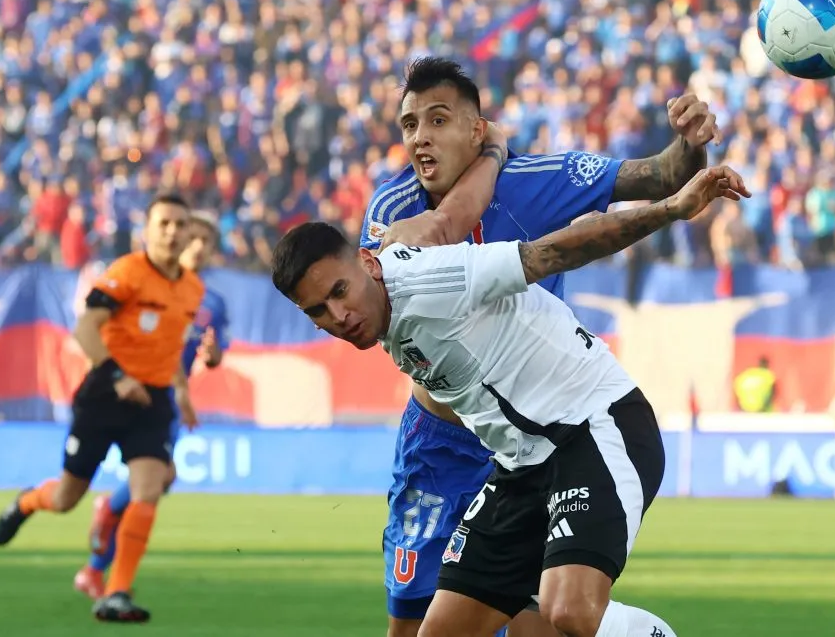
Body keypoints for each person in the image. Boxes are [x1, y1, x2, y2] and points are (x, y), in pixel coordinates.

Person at [270, 163, 748, 637]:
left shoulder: (435, 279)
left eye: (340, 291)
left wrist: (671, 208)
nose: (339, 315)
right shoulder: (382, 304)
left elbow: (550, 253)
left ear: (368, 264)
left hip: (595, 426)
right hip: (522, 466)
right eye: (318, 311)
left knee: (571, 611)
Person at [360, 57, 725, 637]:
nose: (420, 137)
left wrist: (689, 143)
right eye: (409, 125)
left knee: (546, 621)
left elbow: (660, 176)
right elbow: (442, 235)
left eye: (437, 119)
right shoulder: (393, 207)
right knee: (410, 627)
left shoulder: (535, 181)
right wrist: (494, 157)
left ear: (475, 128)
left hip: (547, 426)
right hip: (442, 445)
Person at [0, 194, 205, 623]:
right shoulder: (126, 272)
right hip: (104, 397)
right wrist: (117, 377)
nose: (172, 231)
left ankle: (116, 592)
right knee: (67, 497)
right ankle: (27, 503)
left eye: (180, 225)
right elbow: (86, 327)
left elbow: (169, 347)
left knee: (150, 487)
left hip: (152, 401)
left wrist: (181, 392)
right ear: (147, 228)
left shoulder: (191, 289)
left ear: (189, 233)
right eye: (163, 223)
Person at [73, 211, 231, 600]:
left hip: (168, 396)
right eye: (191, 238)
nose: (197, 247)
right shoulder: (147, 280)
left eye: (205, 243)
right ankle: (104, 547)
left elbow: (212, 354)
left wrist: (211, 357)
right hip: (144, 390)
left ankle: (97, 562)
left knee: (159, 479)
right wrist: (180, 391)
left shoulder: (210, 299)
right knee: (157, 477)